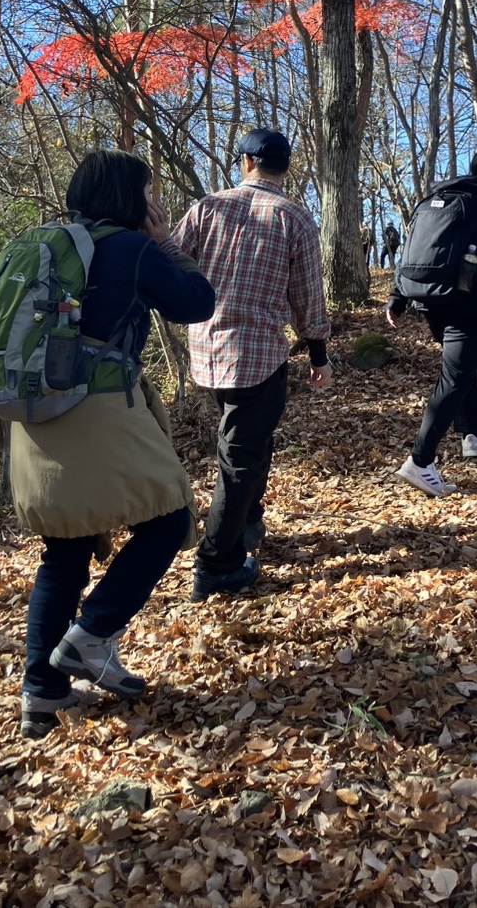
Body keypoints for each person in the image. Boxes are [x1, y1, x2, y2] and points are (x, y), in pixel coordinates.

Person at [12, 149, 216, 739]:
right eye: (148, 191)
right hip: (97, 408)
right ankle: (93, 633)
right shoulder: (128, 248)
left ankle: (42, 694)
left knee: (66, 548)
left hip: (36, 409)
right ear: (132, 197)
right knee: (170, 518)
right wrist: (166, 241)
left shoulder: (45, 243)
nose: (154, 201)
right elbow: (196, 304)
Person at [172, 127, 332, 601]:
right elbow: (307, 296)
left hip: (207, 353)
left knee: (248, 446)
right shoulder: (295, 218)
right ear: (285, 167)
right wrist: (318, 352)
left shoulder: (209, 207)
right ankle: (216, 564)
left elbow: (172, 262)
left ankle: (247, 525)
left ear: (245, 163)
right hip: (258, 355)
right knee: (241, 458)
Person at [388, 147, 477, 497]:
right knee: (454, 377)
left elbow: (412, 247)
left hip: (429, 297)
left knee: (460, 371)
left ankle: (471, 437)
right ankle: (420, 462)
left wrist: (398, 297)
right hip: (470, 301)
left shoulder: (440, 196)